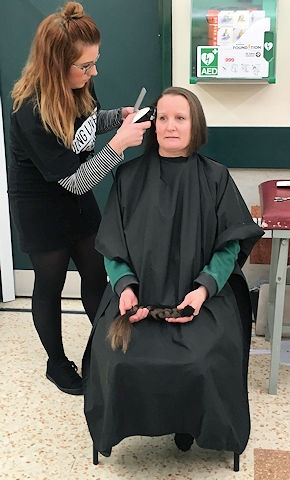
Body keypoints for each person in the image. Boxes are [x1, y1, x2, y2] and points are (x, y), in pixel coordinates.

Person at [82, 87, 264, 458]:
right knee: (119, 360)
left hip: (200, 298)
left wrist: (202, 290)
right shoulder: (128, 177)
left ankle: (191, 426)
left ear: (195, 124)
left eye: (180, 118)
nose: (170, 126)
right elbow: (113, 246)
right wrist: (125, 289)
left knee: (198, 361)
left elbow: (229, 246)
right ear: (151, 125)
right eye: (162, 118)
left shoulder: (215, 178)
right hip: (140, 297)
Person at [8, 2, 151, 396]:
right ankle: (57, 363)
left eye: (94, 63)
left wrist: (116, 117)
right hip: (43, 208)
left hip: (77, 198)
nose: (93, 72)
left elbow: (85, 124)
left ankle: (110, 344)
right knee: (49, 283)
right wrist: (119, 145)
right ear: (56, 66)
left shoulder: (79, 84)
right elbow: (76, 180)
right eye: (85, 66)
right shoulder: (28, 111)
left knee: (95, 274)